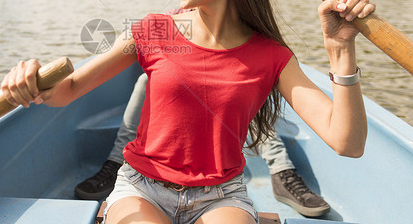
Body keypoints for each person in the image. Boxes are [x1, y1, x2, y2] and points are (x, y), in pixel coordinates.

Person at [1, 0, 373, 224]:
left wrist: (341, 50)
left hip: (221, 195)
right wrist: (29, 77)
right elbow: (65, 91)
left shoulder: (271, 55)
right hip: (143, 186)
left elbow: (348, 143)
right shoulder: (153, 30)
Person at [74, 72, 330, 217]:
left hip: (221, 186)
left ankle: (281, 171)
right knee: (148, 80)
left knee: (245, 77)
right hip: (147, 180)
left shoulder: (253, 33)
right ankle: (116, 161)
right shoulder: (176, 20)